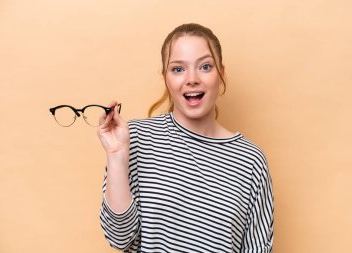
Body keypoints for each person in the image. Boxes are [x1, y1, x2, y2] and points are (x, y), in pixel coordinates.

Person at [98, 23, 274, 252]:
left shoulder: (251, 161)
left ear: (221, 74)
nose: (191, 79)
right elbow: (119, 237)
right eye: (178, 69)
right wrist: (116, 157)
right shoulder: (134, 139)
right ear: (165, 78)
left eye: (205, 66)